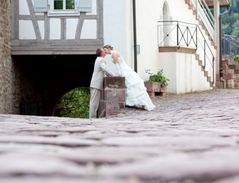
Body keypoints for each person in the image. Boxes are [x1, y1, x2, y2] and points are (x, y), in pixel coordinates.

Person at [103, 44, 156, 111]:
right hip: (124, 69)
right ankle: (137, 102)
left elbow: (117, 64)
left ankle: (143, 103)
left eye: (105, 50)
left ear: (108, 49)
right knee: (130, 87)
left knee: (132, 85)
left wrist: (120, 73)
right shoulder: (114, 53)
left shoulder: (113, 54)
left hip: (124, 70)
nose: (105, 52)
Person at [89, 48, 115, 118]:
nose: (105, 52)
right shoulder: (101, 60)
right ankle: (92, 117)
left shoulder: (98, 59)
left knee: (93, 102)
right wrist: (113, 75)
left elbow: (102, 71)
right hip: (96, 84)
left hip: (94, 83)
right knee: (94, 102)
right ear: (101, 53)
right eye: (103, 51)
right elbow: (105, 68)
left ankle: (92, 117)